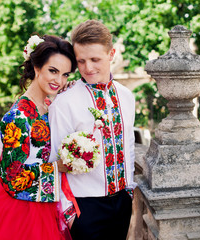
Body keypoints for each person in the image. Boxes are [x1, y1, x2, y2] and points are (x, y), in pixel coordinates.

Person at [0, 34, 77, 240]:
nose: (59, 80)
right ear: (37, 68)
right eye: (53, 71)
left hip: (48, 202)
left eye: (65, 75)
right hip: (21, 210)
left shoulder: (48, 106)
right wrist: (58, 167)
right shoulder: (17, 117)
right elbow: (11, 177)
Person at [49, 20, 136, 240]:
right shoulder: (64, 102)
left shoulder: (127, 96)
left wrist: (130, 190)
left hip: (122, 201)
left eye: (95, 59)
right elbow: (54, 160)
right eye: (81, 61)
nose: (88, 68)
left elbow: (129, 146)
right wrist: (69, 213)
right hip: (84, 207)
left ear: (111, 54)